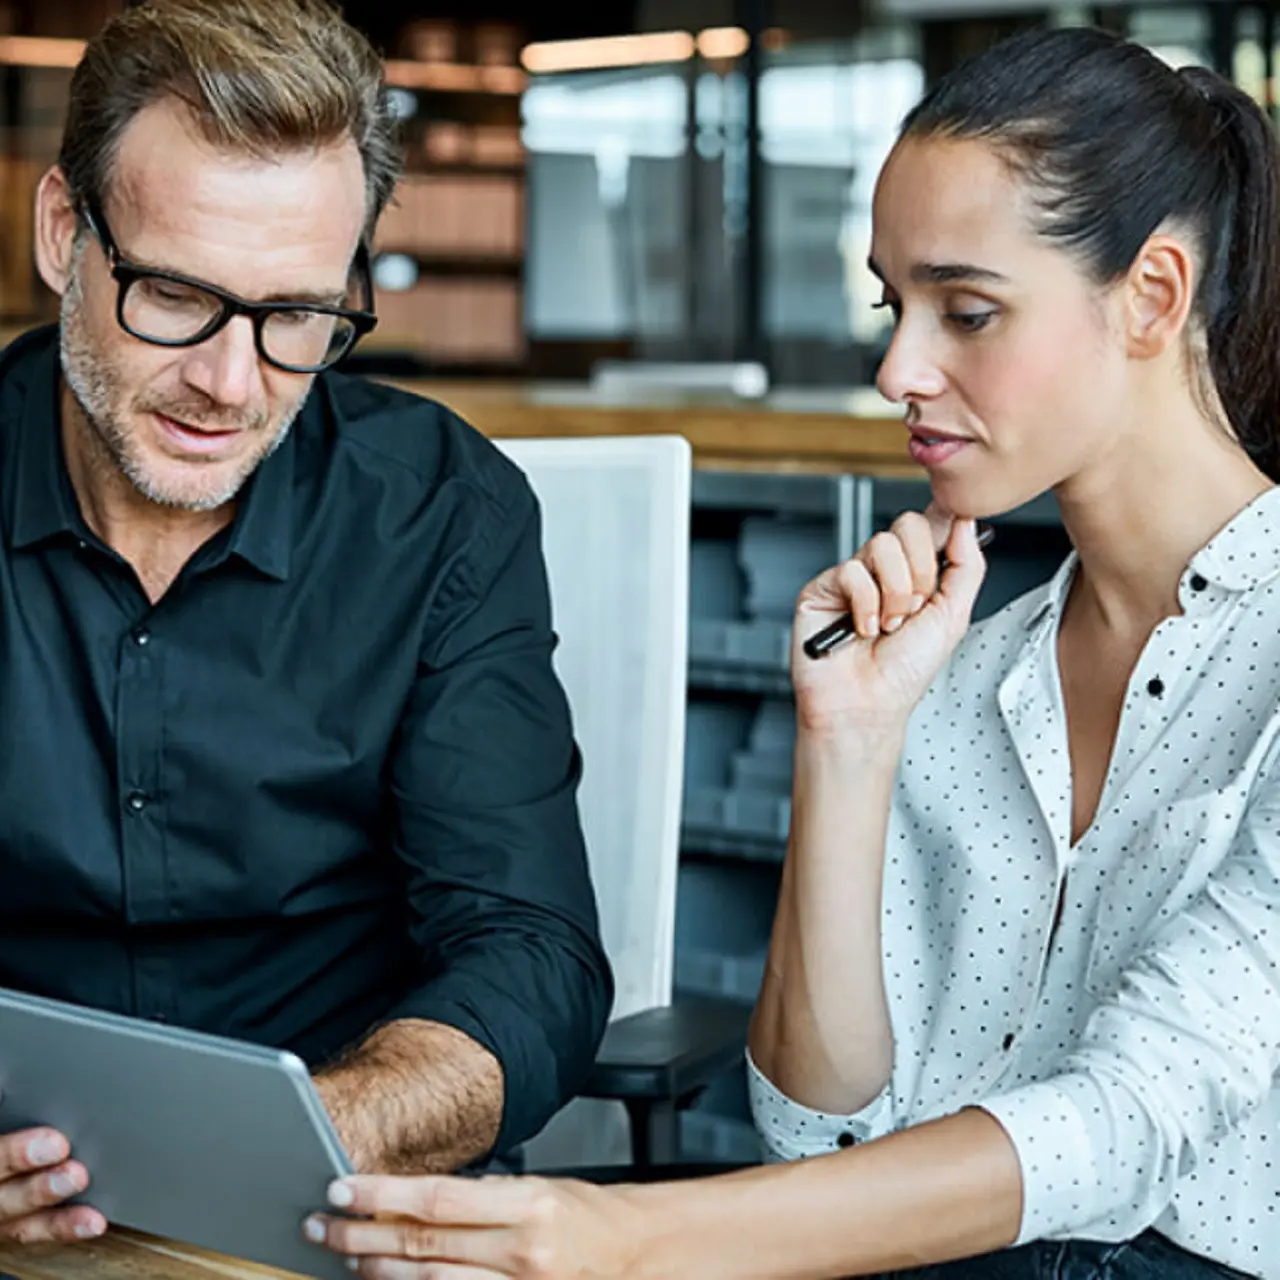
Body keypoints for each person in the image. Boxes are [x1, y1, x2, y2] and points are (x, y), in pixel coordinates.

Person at [306, 24, 1280, 1280]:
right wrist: (849, 745)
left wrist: (625, 1233)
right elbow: (815, 1127)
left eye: (965, 310)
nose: (896, 368)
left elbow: (1134, 1116)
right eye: (894, 304)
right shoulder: (968, 670)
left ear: (1150, 294)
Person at [0, 0, 612, 1248]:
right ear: (66, 234)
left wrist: (313, 1134)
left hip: (340, 1207)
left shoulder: (442, 514)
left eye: (297, 318)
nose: (231, 384)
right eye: (175, 294)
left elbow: (528, 956)